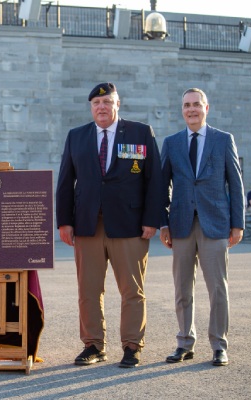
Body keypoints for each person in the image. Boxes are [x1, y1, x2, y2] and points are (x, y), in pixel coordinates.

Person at [56, 83, 163, 368]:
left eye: (106, 101)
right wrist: (64, 221)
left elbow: (155, 180)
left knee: (132, 290)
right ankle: (93, 345)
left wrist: (153, 220)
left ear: (118, 104)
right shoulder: (77, 136)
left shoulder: (141, 132)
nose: (101, 107)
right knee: (89, 290)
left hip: (130, 225)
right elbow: (66, 181)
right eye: (96, 103)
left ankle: (131, 345)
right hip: (87, 226)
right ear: (91, 107)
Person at [160, 88, 245, 367]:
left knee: (217, 289)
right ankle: (185, 342)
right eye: (186, 105)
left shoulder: (223, 140)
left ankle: (219, 345)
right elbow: (162, 186)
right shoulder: (171, 143)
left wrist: (238, 224)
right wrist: (163, 222)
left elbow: (236, 182)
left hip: (216, 223)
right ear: (181, 110)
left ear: (206, 108)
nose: (191, 109)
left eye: (197, 104)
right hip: (181, 224)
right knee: (182, 289)